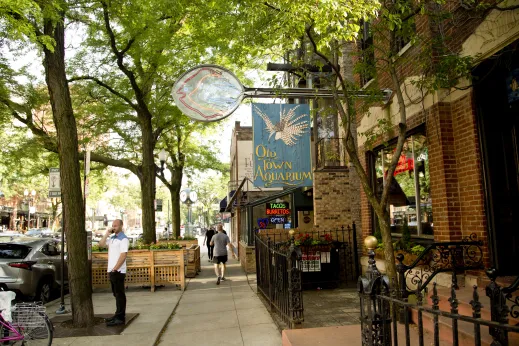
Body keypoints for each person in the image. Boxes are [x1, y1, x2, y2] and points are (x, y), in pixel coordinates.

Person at [99, 219, 128, 327]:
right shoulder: (112, 238)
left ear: (121, 226)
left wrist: (115, 268)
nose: (114, 227)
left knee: (120, 294)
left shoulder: (123, 239)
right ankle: (117, 314)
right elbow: (101, 245)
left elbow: (123, 255)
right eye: (113, 225)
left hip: (118, 271)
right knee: (116, 294)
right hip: (111, 270)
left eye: (116, 225)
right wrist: (106, 233)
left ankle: (120, 317)